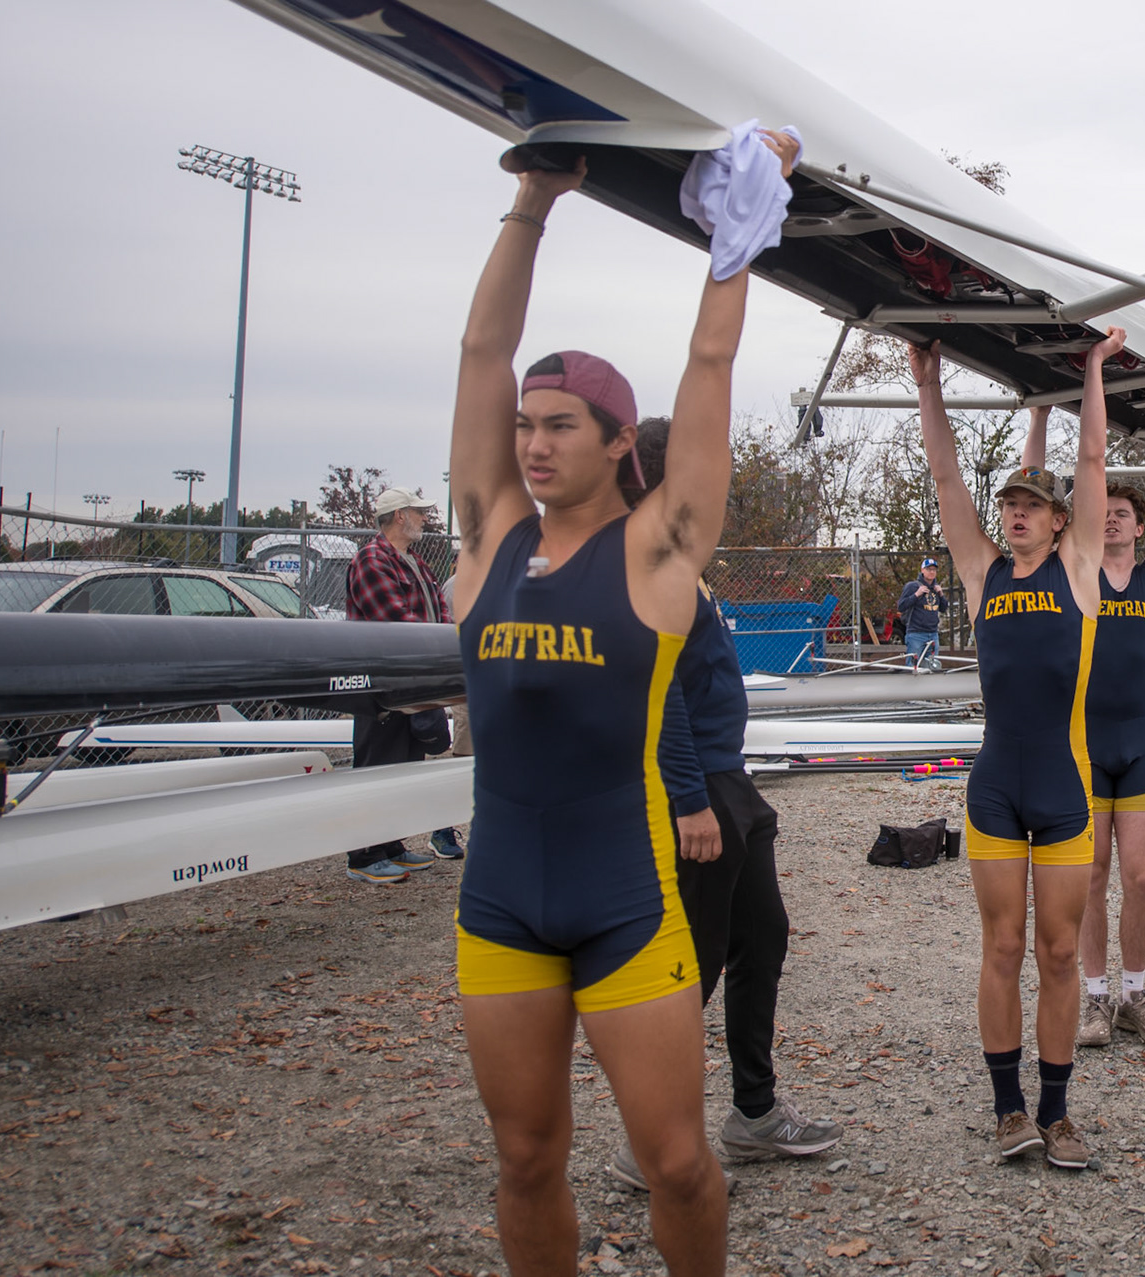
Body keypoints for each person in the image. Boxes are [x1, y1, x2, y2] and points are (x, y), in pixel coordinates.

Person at [447, 132, 797, 1277]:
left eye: (560, 424)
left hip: (624, 899)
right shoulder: (488, 541)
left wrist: (736, 244)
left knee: (680, 1162)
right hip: (501, 897)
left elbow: (709, 366)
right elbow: (481, 352)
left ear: (613, 440)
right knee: (524, 1158)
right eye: (525, 424)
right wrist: (533, 204)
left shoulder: (657, 554)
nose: (533, 441)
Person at [605, 419, 841, 1192]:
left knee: (761, 937)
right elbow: (660, 691)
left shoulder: (683, 558)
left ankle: (754, 1114)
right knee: (690, 966)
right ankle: (648, 1142)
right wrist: (689, 799)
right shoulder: (647, 558)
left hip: (728, 781)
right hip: (699, 791)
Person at [912, 327, 1115, 1170]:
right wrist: (928, 384)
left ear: (1060, 519)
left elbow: (1094, 459)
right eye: (1010, 504)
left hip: (1064, 791)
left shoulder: (1080, 570)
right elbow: (946, 477)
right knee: (1001, 947)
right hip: (995, 787)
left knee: (1060, 953)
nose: (1016, 512)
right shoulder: (980, 572)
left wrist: (1093, 370)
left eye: (1032, 503)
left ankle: (1058, 1112)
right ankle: (1008, 1109)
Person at [1017, 403, 1145, 1048]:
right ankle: (1096, 1000)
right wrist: (1040, 415)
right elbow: (1035, 484)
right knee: (1093, 873)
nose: (1113, 518)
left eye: (1124, 513)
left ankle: (1134, 995)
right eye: (1106, 511)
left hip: (1140, 743)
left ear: (1141, 526)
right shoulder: (1076, 570)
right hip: (1085, 744)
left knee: (1141, 877)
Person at [343, 486, 460, 883]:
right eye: (418, 511)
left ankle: (391, 845)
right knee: (377, 766)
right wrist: (440, 644)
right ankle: (363, 856)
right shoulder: (372, 560)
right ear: (399, 516)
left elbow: (439, 611)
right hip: (383, 686)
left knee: (405, 765)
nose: (424, 518)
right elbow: (393, 621)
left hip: (413, 682)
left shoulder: (412, 560)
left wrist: (442, 644)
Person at [897, 558, 945, 667]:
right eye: (928, 569)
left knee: (932, 666)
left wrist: (941, 595)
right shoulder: (912, 586)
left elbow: (943, 608)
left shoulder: (936, 589)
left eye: (934, 570)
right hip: (916, 633)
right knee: (913, 666)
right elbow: (901, 606)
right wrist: (916, 595)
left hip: (933, 633)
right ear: (922, 570)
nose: (931, 572)